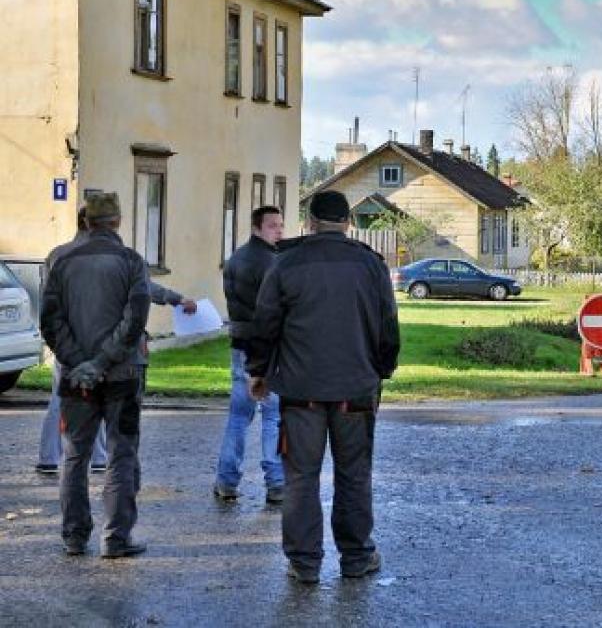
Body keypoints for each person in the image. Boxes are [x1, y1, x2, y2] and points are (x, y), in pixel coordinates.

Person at [247, 191, 400, 584]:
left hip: (302, 391)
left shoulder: (286, 263)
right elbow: (388, 328)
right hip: (357, 388)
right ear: (348, 223)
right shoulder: (371, 265)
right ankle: (356, 556)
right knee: (354, 474)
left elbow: (265, 325)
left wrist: (258, 371)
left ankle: (304, 562)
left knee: (301, 475)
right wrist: (381, 369)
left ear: (310, 221)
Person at [35, 207, 197, 475]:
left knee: (63, 396)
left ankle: (51, 457)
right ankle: (97, 458)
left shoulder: (57, 255)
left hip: (68, 340)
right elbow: (145, 289)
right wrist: (175, 298)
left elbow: (48, 303)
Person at [39, 193, 150, 558]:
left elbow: (50, 321)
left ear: (87, 221)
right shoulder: (132, 261)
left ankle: (74, 535)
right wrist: (102, 362)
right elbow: (134, 321)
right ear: (117, 221)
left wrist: (80, 362)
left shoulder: (62, 261)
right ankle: (116, 538)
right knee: (121, 453)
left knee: (75, 455)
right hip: (123, 372)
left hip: (76, 376)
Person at [214, 205, 286, 503]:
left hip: (240, 344)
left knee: (239, 416)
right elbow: (273, 311)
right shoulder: (273, 262)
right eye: (273, 225)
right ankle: (276, 481)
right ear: (257, 227)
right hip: (266, 349)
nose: (279, 230)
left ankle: (226, 480)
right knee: (273, 416)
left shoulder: (235, 260)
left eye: (281, 225)